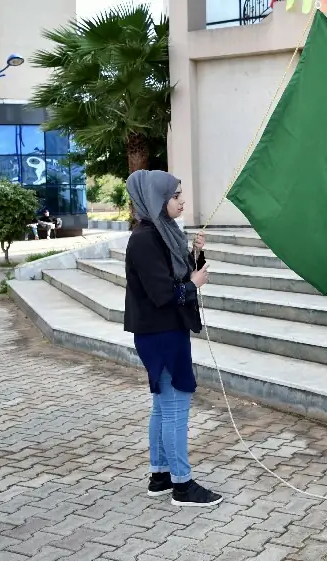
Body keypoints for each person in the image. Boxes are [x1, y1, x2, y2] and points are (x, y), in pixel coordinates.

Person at [123, 169, 222, 507]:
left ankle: (161, 475)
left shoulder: (161, 233)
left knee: (163, 407)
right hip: (161, 333)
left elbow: (177, 276)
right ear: (156, 199)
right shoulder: (144, 239)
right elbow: (164, 294)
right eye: (176, 196)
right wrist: (192, 284)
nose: (182, 201)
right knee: (176, 408)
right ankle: (182, 485)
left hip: (164, 330)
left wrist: (194, 256)